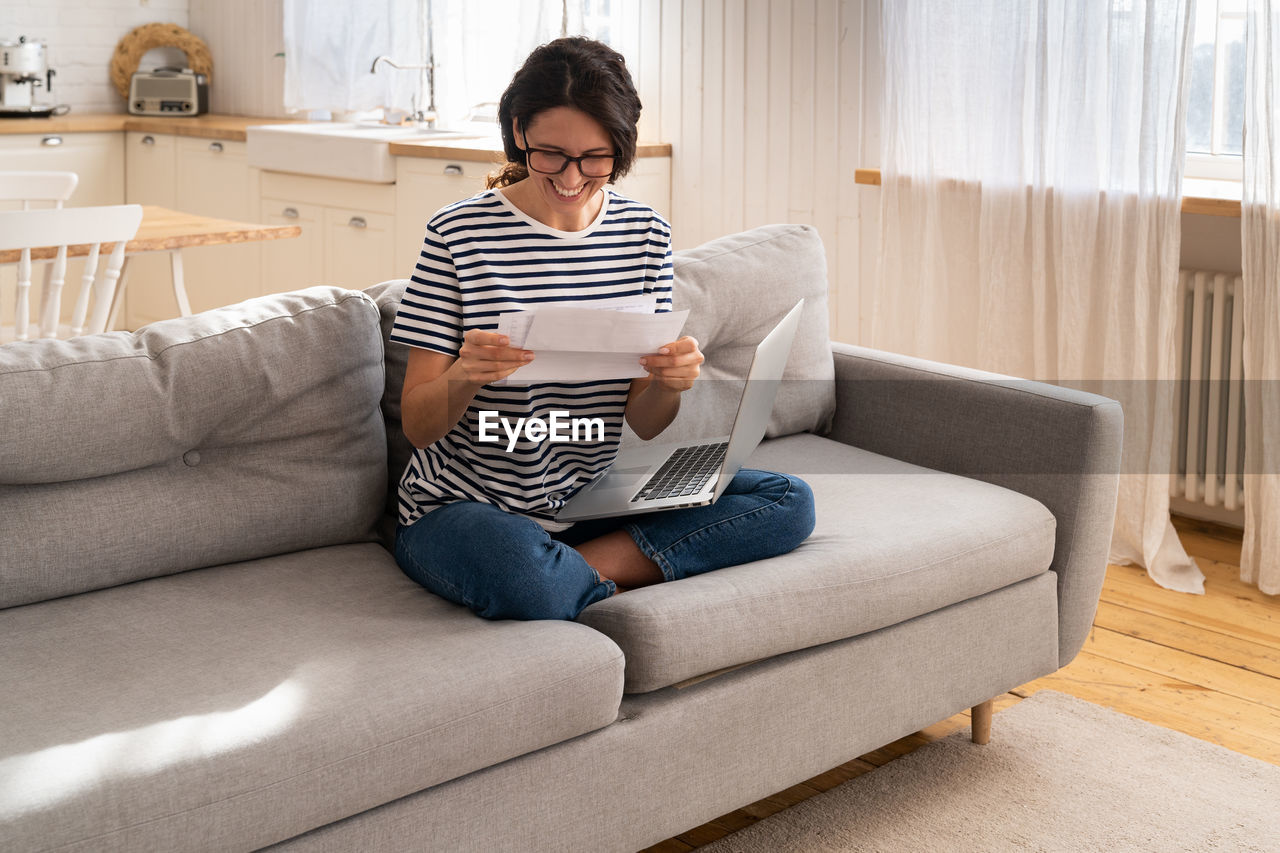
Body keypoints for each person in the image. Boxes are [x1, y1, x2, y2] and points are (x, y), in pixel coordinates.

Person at [390, 37, 814, 621]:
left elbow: (644, 420)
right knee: (524, 579)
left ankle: (578, 572)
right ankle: (561, 571)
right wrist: (465, 374)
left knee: (787, 500)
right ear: (518, 132)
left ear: (620, 147)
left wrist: (668, 382)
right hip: (465, 507)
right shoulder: (457, 235)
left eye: (595, 157)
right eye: (552, 154)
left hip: (594, 497)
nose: (572, 177)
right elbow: (417, 426)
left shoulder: (645, 234)